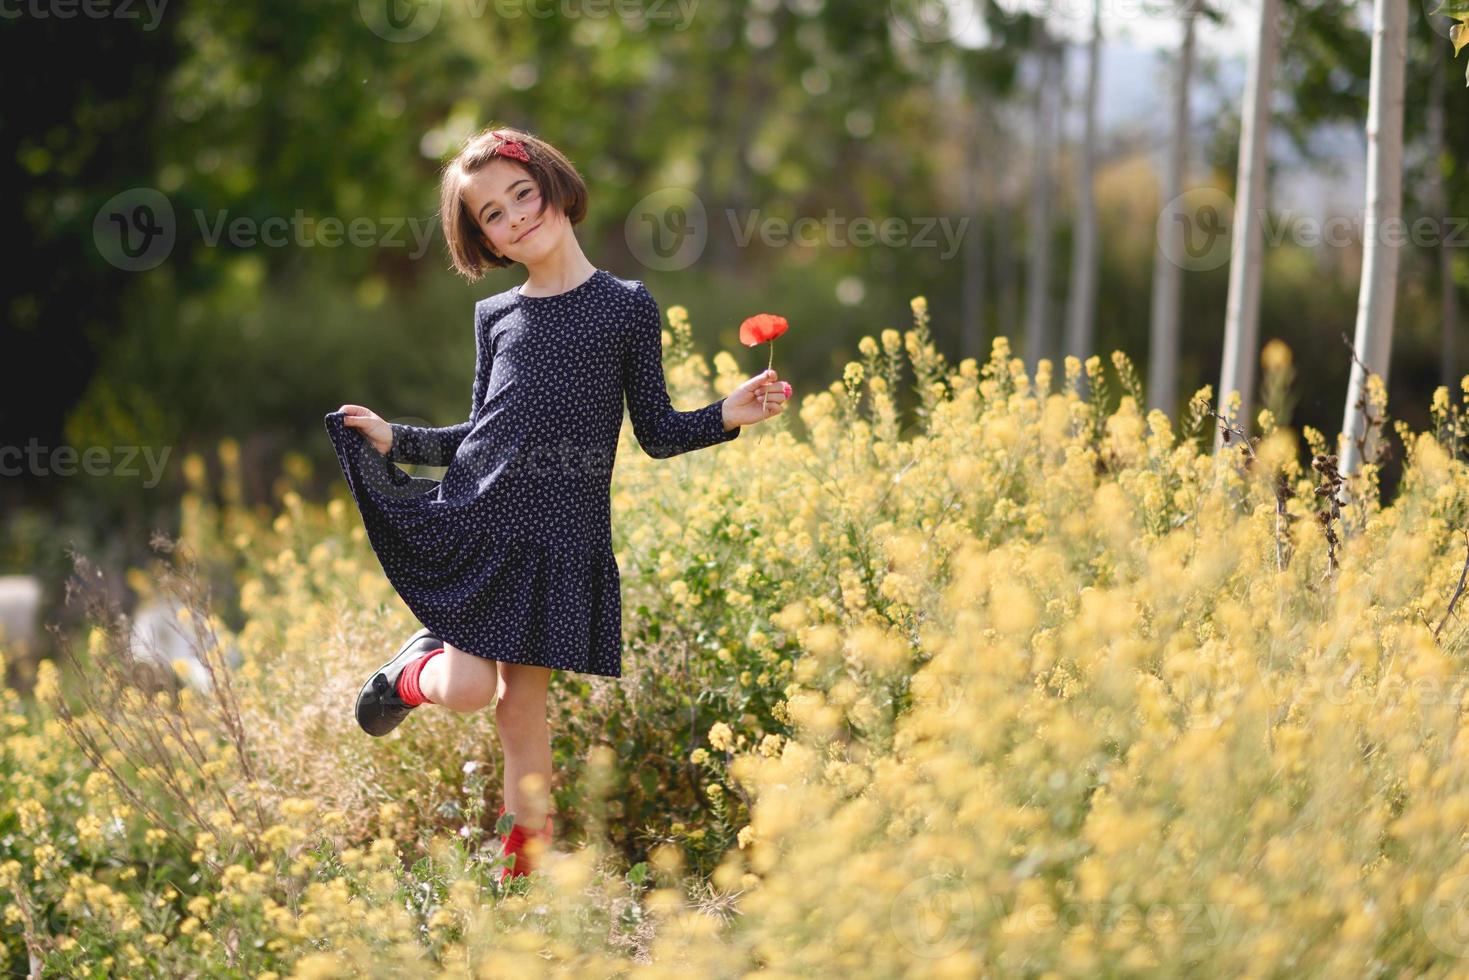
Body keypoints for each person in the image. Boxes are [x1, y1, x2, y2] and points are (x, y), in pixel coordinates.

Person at [321, 126, 790, 882]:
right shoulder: (496, 316)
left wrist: (727, 414)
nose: (514, 219)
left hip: (561, 540)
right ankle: (406, 677)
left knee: (519, 713)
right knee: (471, 690)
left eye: (521, 197)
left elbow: (659, 433)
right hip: (482, 521)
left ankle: (521, 874)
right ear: (487, 242)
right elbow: (482, 431)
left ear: (554, 190)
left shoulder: (627, 307)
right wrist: (394, 438)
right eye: (492, 217)